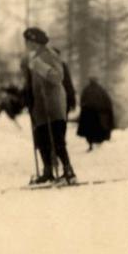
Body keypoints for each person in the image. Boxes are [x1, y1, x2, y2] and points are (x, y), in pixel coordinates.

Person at [23, 27, 76, 184]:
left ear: (34, 41)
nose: (26, 44)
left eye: (27, 41)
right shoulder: (35, 58)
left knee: (57, 139)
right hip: (40, 106)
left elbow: (58, 77)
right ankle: (48, 172)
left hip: (52, 104)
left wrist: (39, 66)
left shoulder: (49, 55)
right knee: (41, 139)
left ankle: (68, 171)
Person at [77, 77, 115, 151]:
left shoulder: (86, 90)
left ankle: (91, 144)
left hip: (89, 115)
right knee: (98, 130)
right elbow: (108, 103)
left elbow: (82, 102)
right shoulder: (101, 90)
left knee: (90, 131)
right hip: (99, 116)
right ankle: (99, 145)